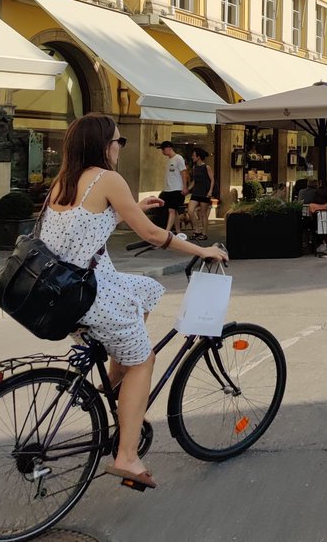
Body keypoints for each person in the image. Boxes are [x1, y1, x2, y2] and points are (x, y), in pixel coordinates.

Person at [41, 114, 226, 490]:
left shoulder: (63, 180)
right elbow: (154, 235)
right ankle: (126, 455)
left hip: (60, 293)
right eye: (119, 141)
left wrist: (134, 206)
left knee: (143, 289)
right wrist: (200, 249)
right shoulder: (107, 178)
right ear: (103, 145)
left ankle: (112, 383)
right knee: (144, 359)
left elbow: (87, 220)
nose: (120, 148)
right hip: (89, 294)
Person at [158, 141, 188, 235]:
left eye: (163, 149)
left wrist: (185, 187)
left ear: (168, 148)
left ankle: (167, 231)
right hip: (168, 189)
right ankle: (178, 230)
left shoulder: (178, 158)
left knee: (171, 210)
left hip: (177, 188)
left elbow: (184, 173)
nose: (162, 152)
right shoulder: (169, 160)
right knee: (174, 211)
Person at [186, 147, 213, 241]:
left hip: (204, 192)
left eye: (194, 155)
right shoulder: (194, 167)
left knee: (203, 214)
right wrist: (187, 189)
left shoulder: (206, 167)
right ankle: (197, 230)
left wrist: (210, 191)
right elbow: (194, 181)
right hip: (196, 192)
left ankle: (204, 233)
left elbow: (212, 180)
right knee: (190, 211)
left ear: (198, 157)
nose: (192, 157)